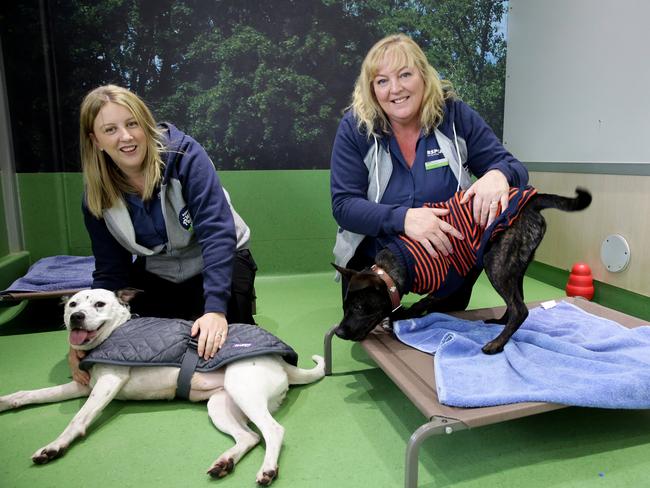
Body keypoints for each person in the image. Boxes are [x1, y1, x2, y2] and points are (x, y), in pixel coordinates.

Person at [70, 84, 257, 384]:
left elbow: (217, 234)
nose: (126, 137)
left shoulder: (185, 155)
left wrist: (214, 311)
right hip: (160, 269)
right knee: (131, 341)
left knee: (227, 345)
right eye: (111, 129)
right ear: (96, 140)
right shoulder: (95, 196)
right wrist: (85, 337)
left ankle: (225, 308)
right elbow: (110, 271)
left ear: (146, 125)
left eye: (132, 124)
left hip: (221, 258)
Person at [330, 33, 529, 302]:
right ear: (372, 89)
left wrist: (499, 174)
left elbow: (514, 168)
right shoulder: (356, 127)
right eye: (382, 81)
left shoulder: (455, 116)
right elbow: (344, 206)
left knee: (446, 339)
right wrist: (405, 219)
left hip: (448, 261)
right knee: (372, 338)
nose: (395, 89)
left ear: (424, 76)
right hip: (375, 259)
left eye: (405, 75)